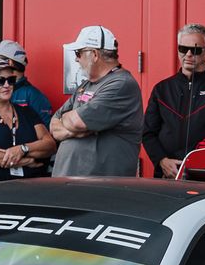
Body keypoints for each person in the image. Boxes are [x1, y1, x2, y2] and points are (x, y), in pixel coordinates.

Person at [144, 24, 205, 180]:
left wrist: (195, 161)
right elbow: (148, 133)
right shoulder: (162, 89)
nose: (188, 54)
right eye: (183, 49)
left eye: (195, 50)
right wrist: (162, 160)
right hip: (167, 176)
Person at [49, 27, 144, 179]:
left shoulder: (122, 84)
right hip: (70, 181)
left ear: (94, 54)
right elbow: (54, 123)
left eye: (78, 53)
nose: (76, 59)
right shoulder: (86, 85)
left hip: (100, 185)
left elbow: (77, 121)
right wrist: (73, 131)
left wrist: (72, 123)